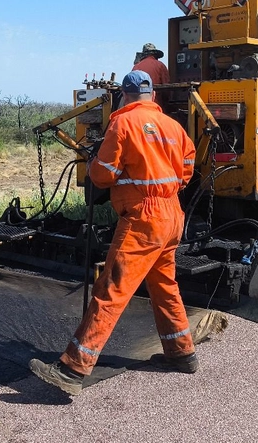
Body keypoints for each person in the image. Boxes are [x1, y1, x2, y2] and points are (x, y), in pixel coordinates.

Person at [29, 70, 197, 395]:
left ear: (124, 95)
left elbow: (103, 176)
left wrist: (95, 162)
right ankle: (182, 353)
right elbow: (188, 166)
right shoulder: (174, 127)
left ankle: (73, 368)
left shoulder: (123, 124)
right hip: (172, 214)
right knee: (164, 285)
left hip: (143, 218)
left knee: (111, 289)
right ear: (151, 96)